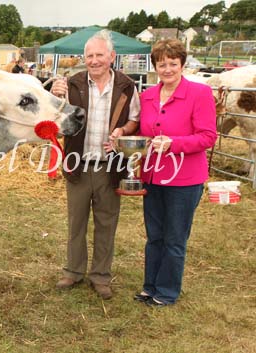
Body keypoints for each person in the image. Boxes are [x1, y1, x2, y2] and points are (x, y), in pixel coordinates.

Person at [50, 29, 140, 300]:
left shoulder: (127, 85)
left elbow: (134, 118)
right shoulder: (72, 83)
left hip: (110, 167)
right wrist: (55, 95)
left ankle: (100, 276)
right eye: (89, 55)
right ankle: (73, 271)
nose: (94, 60)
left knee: (106, 223)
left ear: (112, 56)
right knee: (76, 222)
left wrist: (123, 131)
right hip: (78, 164)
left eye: (100, 54)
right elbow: (56, 118)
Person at [134, 39, 217, 306]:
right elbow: (142, 132)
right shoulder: (146, 96)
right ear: (155, 65)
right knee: (154, 235)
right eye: (162, 64)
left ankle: (167, 291)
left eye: (173, 63)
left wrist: (174, 144)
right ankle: (150, 286)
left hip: (185, 179)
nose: (167, 69)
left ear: (182, 64)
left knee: (175, 238)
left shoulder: (199, 93)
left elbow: (207, 136)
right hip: (153, 176)